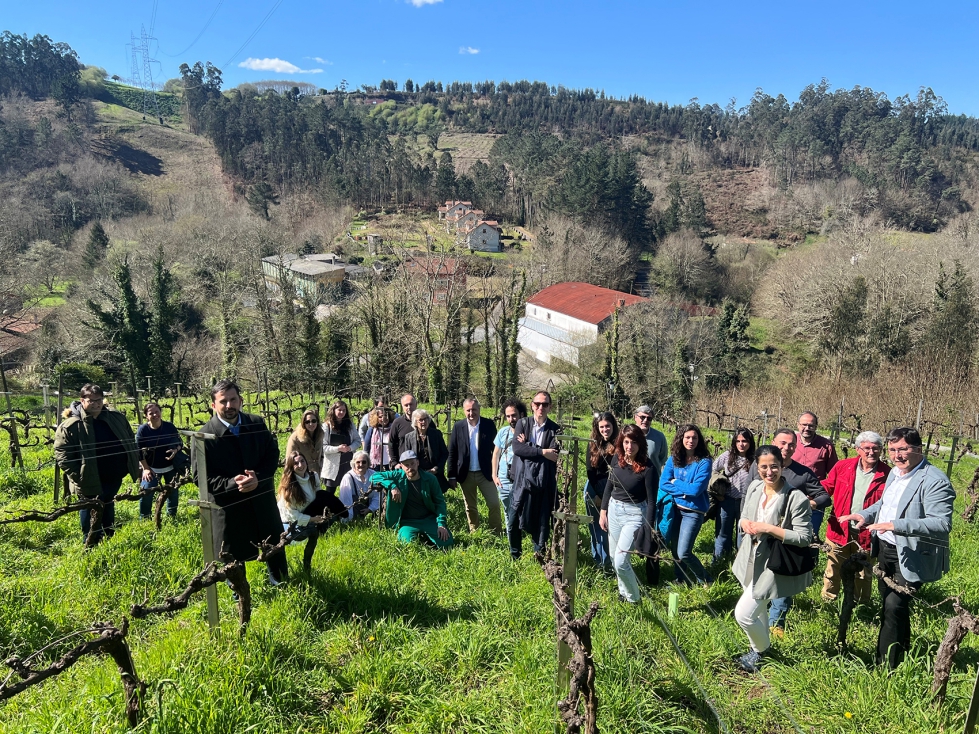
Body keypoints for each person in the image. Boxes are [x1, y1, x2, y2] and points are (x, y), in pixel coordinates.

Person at [839, 427, 955, 669]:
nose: (897, 455)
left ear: (918, 449)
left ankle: (884, 667)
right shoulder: (895, 473)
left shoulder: (933, 480)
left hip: (911, 553)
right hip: (886, 549)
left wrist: (896, 525)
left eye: (902, 449)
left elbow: (942, 523)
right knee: (892, 605)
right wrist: (864, 514)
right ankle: (902, 652)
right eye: (892, 450)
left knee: (893, 606)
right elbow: (886, 503)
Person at [194, 379, 287, 585]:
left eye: (233, 399)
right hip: (228, 506)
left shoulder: (256, 423)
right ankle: (239, 593)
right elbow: (199, 477)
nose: (229, 405)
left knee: (272, 542)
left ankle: (280, 581)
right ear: (213, 405)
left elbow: (272, 454)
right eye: (223, 401)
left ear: (240, 400)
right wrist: (230, 484)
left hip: (261, 498)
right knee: (233, 552)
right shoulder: (203, 436)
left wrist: (259, 478)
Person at [732, 445, 814, 672]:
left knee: (744, 614)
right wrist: (744, 523)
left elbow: (804, 537)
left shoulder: (795, 497)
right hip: (749, 556)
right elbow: (745, 516)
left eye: (774, 466)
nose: (769, 472)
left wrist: (768, 528)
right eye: (764, 467)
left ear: (782, 465)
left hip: (773, 562)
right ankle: (758, 650)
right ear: (757, 468)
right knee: (759, 609)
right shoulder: (755, 487)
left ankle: (761, 650)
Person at [747, 428, 831, 635]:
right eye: (782, 443)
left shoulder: (803, 473)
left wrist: (805, 503)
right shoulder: (757, 467)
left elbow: (824, 497)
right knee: (759, 575)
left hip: (785, 538)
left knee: (782, 576)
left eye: (791, 444)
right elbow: (749, 497)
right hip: (759, 536)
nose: (786, 447)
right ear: (773, 442)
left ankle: (777, 623)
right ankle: (759, 615)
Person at [54, 384, 140, 544]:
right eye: (91, 400)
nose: (96, 403)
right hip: (87, 479)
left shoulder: (116, 418)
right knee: (89, 508)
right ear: (82, 400)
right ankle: (90, 541)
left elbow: (129, 438)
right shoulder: (71, 425)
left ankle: (108, 536)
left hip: (114, 476)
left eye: (99, 399)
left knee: (108, 503)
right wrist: (78, 476)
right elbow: (62, 455)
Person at [820, 431, 891, 603]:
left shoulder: (888, 474)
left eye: (876, 448)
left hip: (867, 533)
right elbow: (827, 486)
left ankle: (861, 605)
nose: (871, 452)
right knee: (833, 568)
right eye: (867, 448)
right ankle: (828, 600)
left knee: (863, 573)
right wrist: (809, 497)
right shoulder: (843, 466)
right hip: (839, 529)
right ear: (858, 449)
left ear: (881, 450)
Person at [599, 424, 657, 603]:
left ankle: (634, 599)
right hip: (614, 510)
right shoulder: (618, 458)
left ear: (640, 444)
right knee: (613, 556)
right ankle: (623, 593)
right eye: (625, 442)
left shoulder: (648, 468)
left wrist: (648, 529)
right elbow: (610, 485)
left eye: (633, 442)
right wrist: (603, 511)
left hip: (634, 514)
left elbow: (652, 501)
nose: (629, 447)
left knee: (621, 560)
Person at [509, 391, 560, 559]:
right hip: (521, 479)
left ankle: (540, 555)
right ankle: (515, 554)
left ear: (550, 407)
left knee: (542, 519)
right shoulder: (523, 424)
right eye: (537, 404)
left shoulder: (555, 429)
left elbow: (553, 454)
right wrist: (542, 451)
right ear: (532, 405)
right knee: (514, 519)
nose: (541, 407)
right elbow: (517, 449)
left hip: (543, 481)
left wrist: (529, 446)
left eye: (545, 404)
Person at [660, 424, 713, 585]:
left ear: (699, 440)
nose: (691, 441)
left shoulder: (704, 462)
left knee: (684, 552)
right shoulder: (674, 458)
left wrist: (675, 481)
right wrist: (683, 492)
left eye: (694, 437)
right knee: (675, 549)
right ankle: (680, 578)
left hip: (693, 512)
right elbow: (663, 483)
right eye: (687, 437)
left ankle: (705, 579)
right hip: (675, 509)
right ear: (681, 439)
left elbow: (696, 489)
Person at [372, 450, 453, 548]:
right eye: (406, 465)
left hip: (428, 519)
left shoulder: (430, 479)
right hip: (408, 522)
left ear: (417, 463)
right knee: (408, 545)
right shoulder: (397, 476)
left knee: (447, 543)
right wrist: (392, 486)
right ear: (401, 466)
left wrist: (441, 524)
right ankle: (418, 537)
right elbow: (374, 476)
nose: (410, 468)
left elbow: (440, 502)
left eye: (412, 463)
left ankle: (428, 537)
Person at [448, 398, 503, 534]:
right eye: (468, 410)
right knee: (470, 507)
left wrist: (498, 472)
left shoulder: (488, 425)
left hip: (486, 473)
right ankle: (475, 532)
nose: (471, 413)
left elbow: (496, 450)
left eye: (474, 410)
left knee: (494, 504)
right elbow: (452, 452)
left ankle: (496, 532)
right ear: (464, 411)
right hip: (465, 473)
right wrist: (451, 475)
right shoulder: (458, 426)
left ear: (479, 410)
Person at [711, 428, 755, 562]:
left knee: (743, 534)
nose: (741, 444)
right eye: (738, 441)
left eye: (745, 441)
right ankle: (719, 562)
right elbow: (712, 469)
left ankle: (740, 564)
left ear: (750, 442)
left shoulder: (754, 458)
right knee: (722, 533)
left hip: (746, 502)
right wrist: (717, 486)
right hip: (727, 500)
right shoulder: (727, 455)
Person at [136, 402, 183, 521]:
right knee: (146, 492)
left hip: (171, 466)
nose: (155, 415)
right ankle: (145, 518)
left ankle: (172, 516)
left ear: (161, 412)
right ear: (146, 415)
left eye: (157, 411)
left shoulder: (169, 426)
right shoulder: (143, 430)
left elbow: (180, 443)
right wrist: (146, 469)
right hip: (151, 467)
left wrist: (175, 450)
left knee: (172, 492)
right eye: (151, 413)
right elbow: (138, 451)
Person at [793, 411, 838, 534]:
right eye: (804, 425)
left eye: (811, 425)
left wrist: (819, 494)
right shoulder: (790, 442)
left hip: (814, 501)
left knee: (811, 535)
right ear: (798, 425)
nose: (807, 428)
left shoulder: (826, 446)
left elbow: (834, 475)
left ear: (816, 426)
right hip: (790, 498)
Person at [276, 450, 347, 529]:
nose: (300, 465)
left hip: (309, 510)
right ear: (291, 467)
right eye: (296, 463)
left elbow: (319, 497)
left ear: (306, 462)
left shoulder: (313, 476)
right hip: (292, 519)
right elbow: (292, 515)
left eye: (302, 461)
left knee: (324, 494)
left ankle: (343, 515)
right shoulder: (288, 487)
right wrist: (313, 519)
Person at [584, 412, 618, 570]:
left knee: (609, 530)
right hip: (594, 488)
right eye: (602, 427)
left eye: (608, 426)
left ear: (613, 426)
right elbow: (590, 472)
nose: (605, 430)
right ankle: (598, 562)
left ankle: (609, 563)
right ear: (597, 428)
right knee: (596, 529)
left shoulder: (620, 444)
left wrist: (608, 498)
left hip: (613, 492)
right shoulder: (592, 444)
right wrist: (599, 495)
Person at [492, 398, 526, 524]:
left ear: (521, 414)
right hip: (503, 480)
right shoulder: (503, 432)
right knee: (508, 512)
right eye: (508, 416)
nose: (511, 419)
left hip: (521, 480)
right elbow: (496, 454)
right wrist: (494, 476)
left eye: (514, 415)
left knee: (522, 511)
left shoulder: (528, 432)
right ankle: (511, 538)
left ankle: (520, 536)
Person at [401, 408, 449, 489]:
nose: (424, 422)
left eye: (425, 419)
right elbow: (407, 458)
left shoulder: (436, 434)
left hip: (435, 475)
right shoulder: (409, 437)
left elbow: (444, 453)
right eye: (420, 420)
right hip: (417, 475)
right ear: (415, 422)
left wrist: (436, 469)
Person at [322, 399, 362, 490]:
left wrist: (350, 448)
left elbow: (357, 441)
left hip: (348, 462)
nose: (341, 412)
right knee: (330, 493)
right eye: (339, 410)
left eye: (344, 410)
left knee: (348, 490)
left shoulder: (350, 425)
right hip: (333, 465)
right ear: (334, 410)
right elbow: (323, 447)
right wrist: (338, 449)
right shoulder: (326, 426)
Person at [338, 450, 379, 521]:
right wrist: (347, 519)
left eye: (364, 462)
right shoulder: (348, 477)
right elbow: (346, 500)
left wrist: (370, 509)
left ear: (368, 463)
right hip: (354, 506)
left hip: (370, 503)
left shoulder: (374, 475)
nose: (361, 464)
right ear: (354, 463)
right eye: (358, 462)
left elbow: (378, 495)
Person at [285, 408, 324, 476]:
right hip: (301, 474)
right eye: (307, 422)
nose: (311, 424)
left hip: (316, 474)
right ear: (303, 423)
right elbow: (289, 459)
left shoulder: (320, 434)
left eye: (313, 421)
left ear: (317, 421)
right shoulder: (295, 438)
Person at [633, 404, 669, 474]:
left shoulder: (659, 437)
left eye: (649, 418)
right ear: (635, 417)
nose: (645, 420)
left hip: (653, 479)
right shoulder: (627, 435)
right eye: (642, 417)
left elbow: (663, 458)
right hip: (632, 478)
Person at [364, 406, 396, 471]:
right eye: (380, 417)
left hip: (391, 463)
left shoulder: (394, 429)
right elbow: (366, 448)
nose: (383, 418)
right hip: (375, 464)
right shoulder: (372, 430)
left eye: (385, 416)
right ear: (376, 418)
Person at [388, 393, 417, 463]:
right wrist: (395, 463)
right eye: (406, 405)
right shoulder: (397, 423)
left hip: (423, 466)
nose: (409, 407)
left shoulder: (425, 421)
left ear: (416, 404)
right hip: (404, 464)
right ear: (402, 406)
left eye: (411, 404)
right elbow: (391, 443)